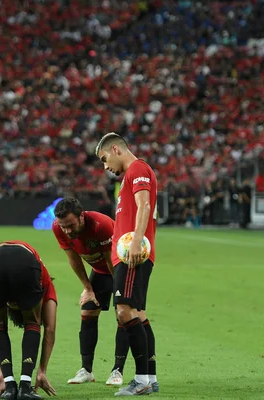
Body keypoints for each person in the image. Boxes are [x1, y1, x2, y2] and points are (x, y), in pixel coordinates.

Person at [94, 132, 159, 396]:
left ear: (115, 149)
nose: (105, 166)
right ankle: (150, 378)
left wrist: (136, 242)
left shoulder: (138, 169)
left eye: (104, 158)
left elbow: (144, 206)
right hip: (129, 253)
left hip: (132, 254)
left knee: (124, 311)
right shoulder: (128, 177)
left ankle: (141, 379)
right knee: (138, 314)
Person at [52, 197, 124, 386]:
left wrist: (120, 291)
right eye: (63, 226)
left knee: (123, 315)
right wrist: (87, 288)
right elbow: (73, 258)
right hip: (99, 271)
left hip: (118, 268)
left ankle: (117, 370)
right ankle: (86, 370)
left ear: (82, 217)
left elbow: (112, 261)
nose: (67, 230)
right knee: (88, 310)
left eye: (70, 225)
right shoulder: (58, 228)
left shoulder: (101, 225)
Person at [0, 240, 58, 400]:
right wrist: (42, 370)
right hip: (24, 262)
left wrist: (3, 371)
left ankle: (10, 387)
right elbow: (49, 328)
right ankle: (25, 387)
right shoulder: (45, 284)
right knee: (33, 323)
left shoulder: (43, 282)